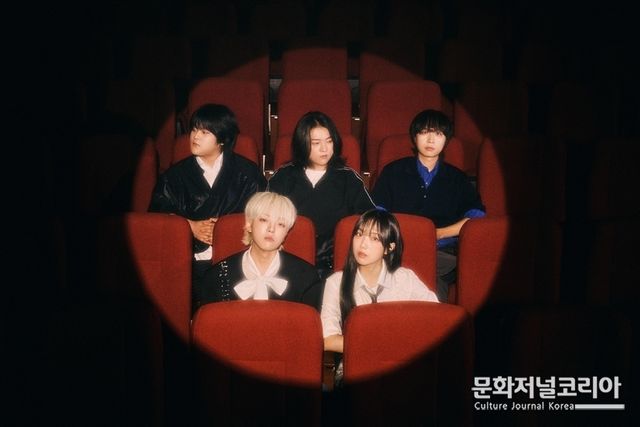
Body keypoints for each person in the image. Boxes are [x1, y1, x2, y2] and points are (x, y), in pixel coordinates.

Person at [149, 103, 266, 297]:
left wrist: (226, 229)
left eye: (204, 132)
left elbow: (262, 215)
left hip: (239, 258)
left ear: (222, 139)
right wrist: (190, 226)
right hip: (190, 261)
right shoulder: (174, 176)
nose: (195, 137)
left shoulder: (248, 173)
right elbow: (157, 218)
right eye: (194, 130)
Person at [371, 109, 485, 302]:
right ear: (414, 137)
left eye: (438, 134)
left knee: (436, 266)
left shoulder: (457, 178)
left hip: (442, 250)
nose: (431, 140)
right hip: (400, 247)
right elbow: (377, 212)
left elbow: (476, 216)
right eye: (424, 132)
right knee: (433, 274)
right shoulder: (393, 171)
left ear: (446, 140)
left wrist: (440, 233)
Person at [268, 111, 375, 279]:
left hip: (337, 263)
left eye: (329, 141)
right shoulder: (283, 177)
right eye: (316, 143)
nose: (325, 149)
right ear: (302, 144)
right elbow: (266, 219)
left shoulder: (348, 178)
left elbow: (368, 219)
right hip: (288, 260)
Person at [321, 208, 438, 354]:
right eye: (359, 234)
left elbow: (435, 319)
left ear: (389, 248)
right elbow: (328, 340)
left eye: (374, 238)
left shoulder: (405, 279)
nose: (363, 244)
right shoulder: (336, 282)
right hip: (357, 361)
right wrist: (380, 346)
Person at [196, 192, 323, 311]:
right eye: (264, 220)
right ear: (249, 225)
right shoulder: (216, 276)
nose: (271, 229)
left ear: (286, 233)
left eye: (281, 224)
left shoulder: (307, 277)